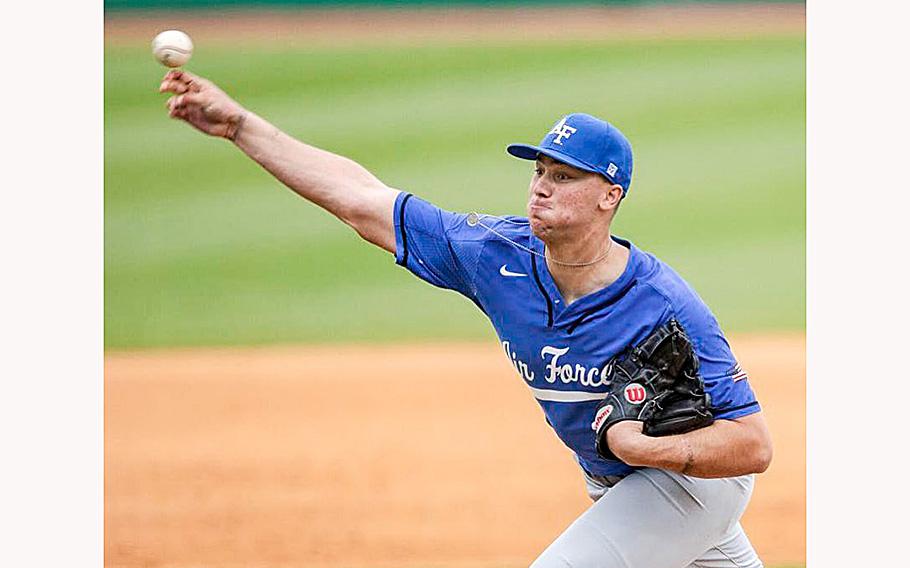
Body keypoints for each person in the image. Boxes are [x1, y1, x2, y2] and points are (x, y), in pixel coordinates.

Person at [159, 69, 773, 568]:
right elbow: (359, 197)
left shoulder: (663, 304)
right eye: (537, 172)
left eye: (563, 177)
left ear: (609, 196)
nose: (540, 188)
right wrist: (240, 126)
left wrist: (645, 448)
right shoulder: (494, 256)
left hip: (690, 484)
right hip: (620, 483)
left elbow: (753, 443)